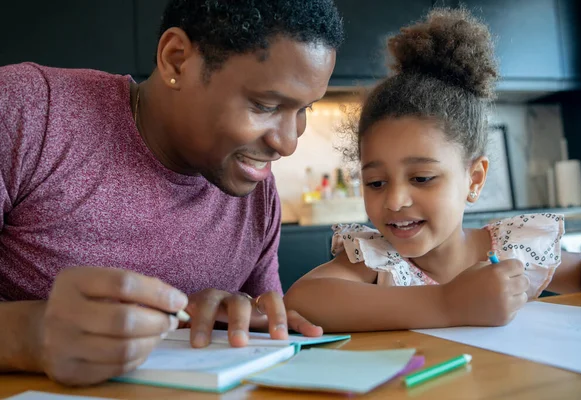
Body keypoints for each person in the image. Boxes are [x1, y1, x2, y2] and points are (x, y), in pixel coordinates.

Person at [0, 0, 343, 386]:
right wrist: (25, 335)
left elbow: (270, 340)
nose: (287, 143)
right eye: (265, 105)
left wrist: (245, 320)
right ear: (177, 60)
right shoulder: (28, 112)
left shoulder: (257, 197)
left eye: (303, 110)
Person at [284, 8, 581, 333]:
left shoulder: (511, 249)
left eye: (421, 178)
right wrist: (448, 303)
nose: (394, 200)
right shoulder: (375, 259)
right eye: (375, 182)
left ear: (474, 179)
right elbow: (302, 300)